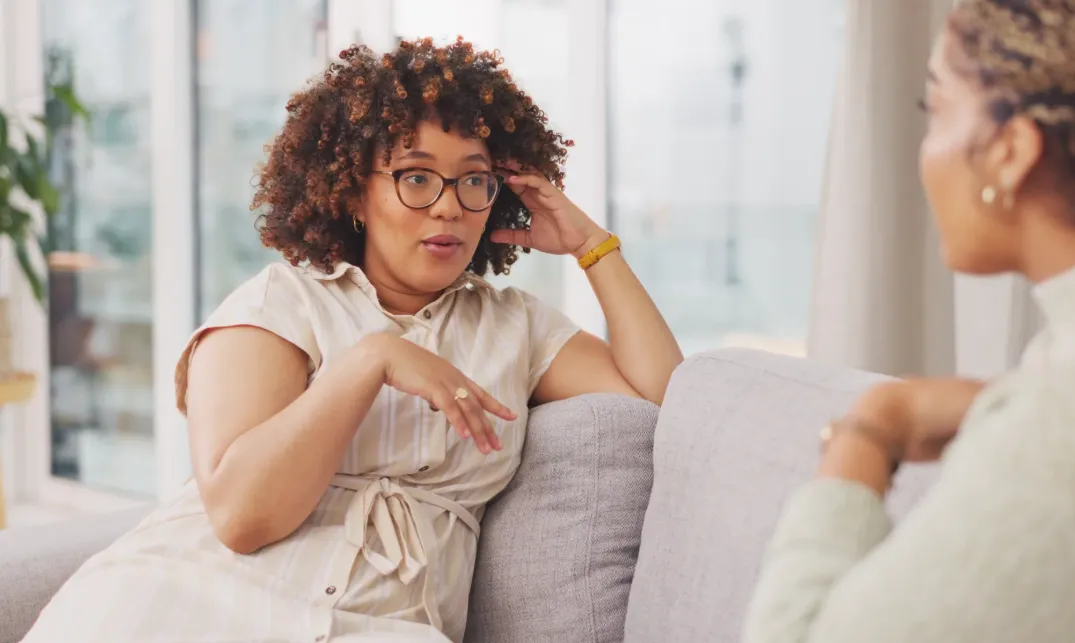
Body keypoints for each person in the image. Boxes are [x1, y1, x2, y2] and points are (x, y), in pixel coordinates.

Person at [22, 37, 682, 643]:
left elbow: (665, 406)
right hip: (193, 603)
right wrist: (371, 360)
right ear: (354, 193)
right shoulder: (280, 303)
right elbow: (242, 516)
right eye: (416, 176)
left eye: (473, 180)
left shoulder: (517, 326)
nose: (449, 205)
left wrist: (594, 247)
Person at [742, 2, 1075, 641]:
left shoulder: (1051, 423)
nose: (925, 151)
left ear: (1010, 151)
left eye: (936, 109)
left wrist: (870, 429)